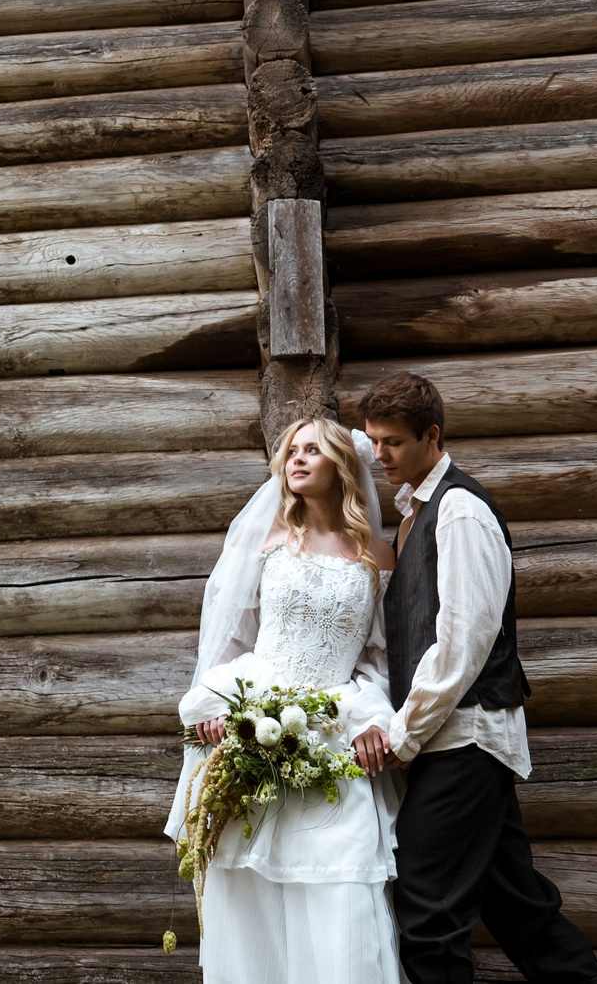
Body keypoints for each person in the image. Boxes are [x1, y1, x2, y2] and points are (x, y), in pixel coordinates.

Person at [352, 372, 597, 984]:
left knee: (428, 914)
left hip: (463, 738)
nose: (380, 455)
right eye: (373, 442)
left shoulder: (460, 511)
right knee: (521, 912)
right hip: (453, 740)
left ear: (432, 436)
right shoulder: (415, 510)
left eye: (392, 443)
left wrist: (403, 734)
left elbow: (463, 644)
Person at [167, 415, 402, 984]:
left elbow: (377, 658)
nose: (296, 459)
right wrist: (217, 708)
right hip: (254, 732)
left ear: (340, 464)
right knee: (251, 894)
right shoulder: (267, 539)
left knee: (341, 891)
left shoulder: (378, 554)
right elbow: (230, 641)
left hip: (333, 737)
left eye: (312, 450)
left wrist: (372, 720)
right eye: (291, 450)